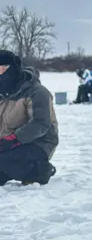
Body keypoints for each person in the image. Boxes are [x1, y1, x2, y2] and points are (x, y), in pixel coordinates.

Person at [0, 50, 58, 186]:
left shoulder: (37, 92)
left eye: (2, 69)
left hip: (38, 144)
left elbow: (41, 124)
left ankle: (40, 170)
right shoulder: (2, 94)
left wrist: (15, 139)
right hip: (6, 145)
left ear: (13, 69)